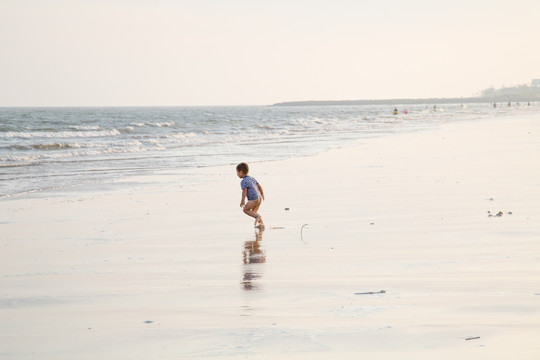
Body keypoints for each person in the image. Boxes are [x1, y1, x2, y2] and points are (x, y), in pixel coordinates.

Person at [236, 162, 265, 228]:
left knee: (245, 210)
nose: (237, 174)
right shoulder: (252, 178)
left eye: (237, 172)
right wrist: (262, 194)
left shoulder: (243, 181)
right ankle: (261, 224)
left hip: (253, 199)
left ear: (241, 172)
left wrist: (242, 201)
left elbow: (244, 191)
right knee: (253, 212)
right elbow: (259, 186)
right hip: (259, 198)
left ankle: (258, 217)